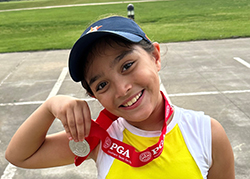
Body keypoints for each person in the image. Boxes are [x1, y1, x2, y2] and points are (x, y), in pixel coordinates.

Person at [5, 16, 235, 179]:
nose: (122, 89)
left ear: (155, 56)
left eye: (127, 65)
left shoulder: (206, 132)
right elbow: (19, 156)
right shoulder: (99, 139)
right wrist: (50, 106)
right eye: (102, 84)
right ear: (93, 95)